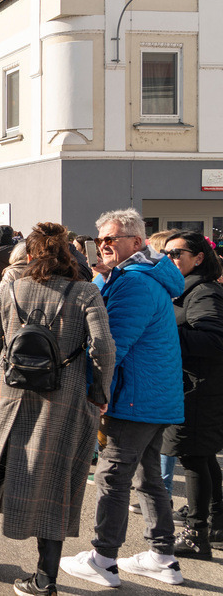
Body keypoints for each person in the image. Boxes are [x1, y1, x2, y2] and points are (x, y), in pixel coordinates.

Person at [0, 223, 115, 596]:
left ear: (30, 255)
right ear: (68, 254)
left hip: (12, 394)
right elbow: (104, 349)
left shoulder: (11, 287)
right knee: (55, 479)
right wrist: (99, 390)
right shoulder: (86, 291)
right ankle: (45, 577)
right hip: (66, 395)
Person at [60, 208, 185, 588]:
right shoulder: (137, 277)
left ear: (136, 241)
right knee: (148, 479)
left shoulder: (133, 283)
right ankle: (163, 556)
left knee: (113, 477)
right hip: (150, 397)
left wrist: (93, 392)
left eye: (111, 239)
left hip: (134, 397)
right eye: (99, 240)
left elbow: (112, 347)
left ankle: (103, 558)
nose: (103, 246)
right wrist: (101, 280)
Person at [159, 231, 223, 557]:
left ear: (198, 258)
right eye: (165, 253)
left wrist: (165, 329)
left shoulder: (204, 293)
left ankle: (197, 535)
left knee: (194, 456)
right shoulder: (190, 289)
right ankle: (215, 522)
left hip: (199, 390)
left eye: (176, 254)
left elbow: (212, 340)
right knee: (202, 455)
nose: (168, 259)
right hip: (195, 387)